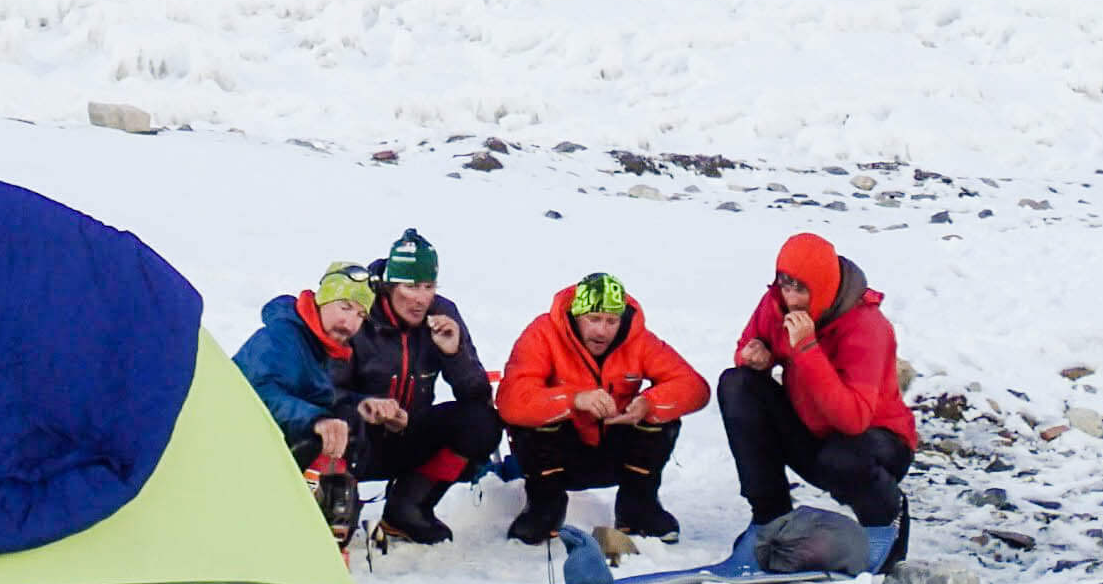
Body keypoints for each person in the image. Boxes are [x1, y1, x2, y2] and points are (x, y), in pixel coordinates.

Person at [717, 232, 915, 534]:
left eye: (801, 290)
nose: (791, 300)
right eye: (785, 285)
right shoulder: (776, 303)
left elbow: (854, 419)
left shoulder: (866, 326)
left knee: (842, 459)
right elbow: (747, 345)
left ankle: (887, 521)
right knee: (737, 384)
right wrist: (756, 357)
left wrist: (808, 350)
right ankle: (770, 517)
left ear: (822, 289)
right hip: (814, 434)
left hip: (876, 444)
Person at [496, 270, 711, 545]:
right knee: (533, 418)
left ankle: (639, 507)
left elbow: (695, 387)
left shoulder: (637, 339)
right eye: (593, 319)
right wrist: (573, 400)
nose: (602, 330)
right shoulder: (543, 334)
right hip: (560, 454)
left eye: (611, 321)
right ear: (575, 315)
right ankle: (544, 508)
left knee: (663, 413)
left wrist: (649, 403)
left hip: (616, 447)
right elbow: (511, 400)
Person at [345, 226, 500, 544]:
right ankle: (333, 511)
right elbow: (328, 385)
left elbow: (477, 396)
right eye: (411, 286)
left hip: (408, 432)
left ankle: (409, 507)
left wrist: (454, 353)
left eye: (428, 286)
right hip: (356, 436)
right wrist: (367, 407)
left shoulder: (443, 313)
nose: (420, 298)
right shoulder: (359, 311)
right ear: (389, 286)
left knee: (482, 424)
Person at [234, 259, 372, 541]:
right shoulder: (281, 338)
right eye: (344, 307)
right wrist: (315, 420)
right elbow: (256, 394)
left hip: (260, 444)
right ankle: (292, 528)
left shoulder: (318, 347)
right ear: (323, 300)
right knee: (316, 438)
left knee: (348, 423)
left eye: (360, 315)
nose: (350, 323)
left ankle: (326, 523)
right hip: (235, 448)